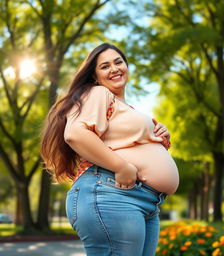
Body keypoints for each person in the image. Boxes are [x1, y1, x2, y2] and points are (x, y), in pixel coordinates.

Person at [40, 43, 179, 256]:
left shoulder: (124, 106)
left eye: (118, 62)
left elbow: (123, 143)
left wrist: (159, 137)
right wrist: (121, 166)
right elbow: (75, 134)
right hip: (112, 193)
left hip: (144, 200)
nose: (114, 68)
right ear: (95, 76)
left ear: (126, 66)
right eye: (104, 66)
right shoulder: (98, 93)